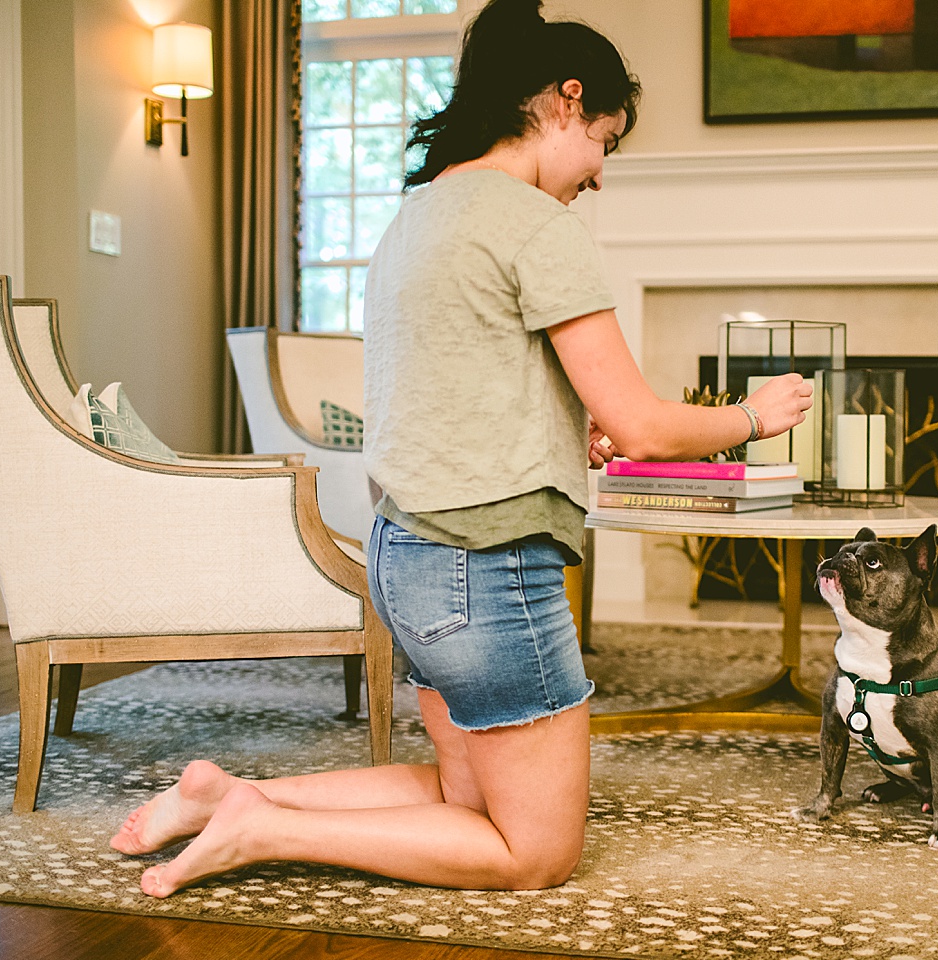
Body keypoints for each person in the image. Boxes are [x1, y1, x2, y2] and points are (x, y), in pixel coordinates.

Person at [109, 0, 812, 898]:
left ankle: (228, 797)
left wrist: (562, 426)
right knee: (536, 855)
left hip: (406, 558)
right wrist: (751, 417)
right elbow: (642, 427)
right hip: (489, 571)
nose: (599, 174)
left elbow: (460, 390)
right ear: (564, 102)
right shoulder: (535, 223)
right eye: (605, 139)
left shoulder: (419, 216)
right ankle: (262, 830)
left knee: (461, 795)